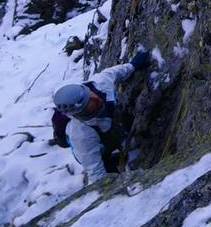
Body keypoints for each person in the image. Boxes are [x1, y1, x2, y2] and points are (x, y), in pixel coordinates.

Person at [52, 51, 151, 183]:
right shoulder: (81, 135)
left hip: (107, 128)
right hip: (94, 150)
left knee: (116, 125)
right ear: (80, 112)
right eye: (89, 103)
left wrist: (132, 65)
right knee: (106, 165)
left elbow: (112, 73)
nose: (95, 98)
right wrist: (106, 191)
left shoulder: (98, 85)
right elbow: (95, 170)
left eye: (90, 95)